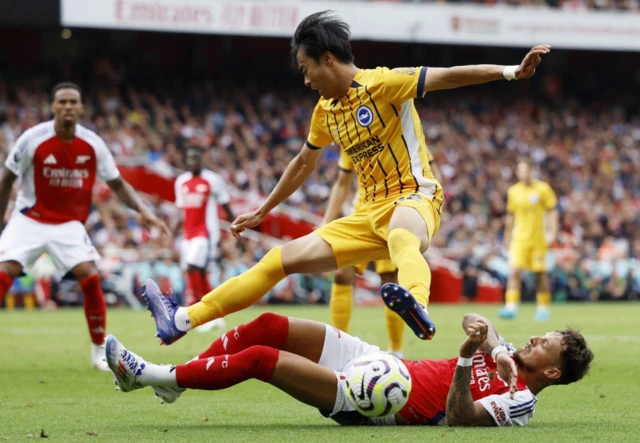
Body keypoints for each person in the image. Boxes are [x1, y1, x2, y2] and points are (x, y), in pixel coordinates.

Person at [143, 11, 551, 345]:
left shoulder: (384, 83)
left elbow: (448, 76)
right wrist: (262, 211)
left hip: (413, 197)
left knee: (402, 239)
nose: (305, 80)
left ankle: (417, 307)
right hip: (365, 213)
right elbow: (304, 162)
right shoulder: (325, 111)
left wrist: (511, 71)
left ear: (326, 59)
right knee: (275, 261)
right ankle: (182, 319)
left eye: (306, 69)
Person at [106, 297, 593, 426]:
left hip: (377, 400)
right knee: (269, 326)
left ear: (552, 371)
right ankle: (178, 382)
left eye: (544, 344)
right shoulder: (509, 359)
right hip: (379, 363)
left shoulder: (521, 401)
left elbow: (462, 419)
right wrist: (491, 342)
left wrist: (468, 360)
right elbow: (473, 315)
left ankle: (149, 375)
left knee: (259, 358)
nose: (534, 338)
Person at [0, 82, 170, 370]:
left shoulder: (93, 144)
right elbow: (6, 180)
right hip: (29, 218)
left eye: (73, 102)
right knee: (5, 272)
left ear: (80, 108)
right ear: (52, 107)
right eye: (62, 102)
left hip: (68, 224)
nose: (67, 107)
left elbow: (116, 183)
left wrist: (142, 210)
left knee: (90, 279)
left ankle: (98, 353)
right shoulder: (32, 139)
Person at [324, 147, 444, 358]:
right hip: (362, 212)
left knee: (390, 281)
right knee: (342, 273)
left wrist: (432, 210)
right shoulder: (350, 134)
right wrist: (326, 223)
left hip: (396, 208)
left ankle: (396, 352)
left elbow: (432, 173)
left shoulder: (404, 130)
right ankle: (339, 348)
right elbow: (342, 182)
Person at [172, 145, 234, 332]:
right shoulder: (181, 181)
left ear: (201, 159)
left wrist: (236, 226)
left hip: (206, 234)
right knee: (197, 272)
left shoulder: (212, 180)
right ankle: (213, 313)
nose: (193, 161)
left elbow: (226, 205)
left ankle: (192, 311)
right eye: (189, 158)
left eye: (196, 158)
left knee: (193, 267)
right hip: (187, 236)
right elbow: (180, 210)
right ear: (185, 161)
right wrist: (171, 231)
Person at [499, 158, 558, 321]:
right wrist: (507, 236)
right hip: (520, 238)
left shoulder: (543, 189)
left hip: (539, 238)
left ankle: (543, 308)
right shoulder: (513, 191)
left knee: (540, 273)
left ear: (531, 171)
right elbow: (510, 216)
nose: (522, 173)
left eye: (525, 170)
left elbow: (552, 211)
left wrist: (552, 231)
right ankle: (510, 307)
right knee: (514, 270)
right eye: (520, 170)